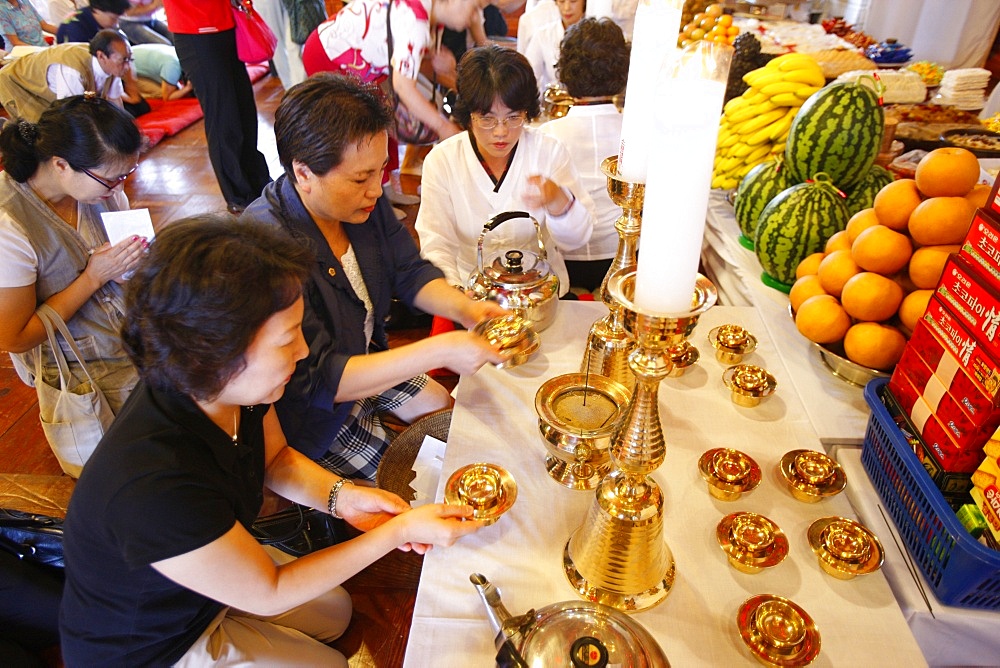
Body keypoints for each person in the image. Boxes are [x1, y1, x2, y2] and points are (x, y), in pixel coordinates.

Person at [58, 214, 484, 665]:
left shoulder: (225, 386)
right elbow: (268, 592)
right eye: (286, 341)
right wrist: (397, 531)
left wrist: (343, 498)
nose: (302, 352)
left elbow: (276, 458)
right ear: (216, 351)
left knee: (336, 613)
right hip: (153, 643)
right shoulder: (153, 487)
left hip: (210, 583)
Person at [244, 73, 508, 480]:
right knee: (411, 481)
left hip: (368, 361)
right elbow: (317, 380)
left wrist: (467, 308)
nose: (376, 189)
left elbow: (408, 269)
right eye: (360, 178)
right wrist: (438, 352)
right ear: (303, 173)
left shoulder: (360, 204)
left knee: (465, 430)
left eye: (381, 170)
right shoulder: (267, 247)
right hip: (316, 415)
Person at [0, 95, 147, 462]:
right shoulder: (10, 224)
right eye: (111, 180)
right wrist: (93, 278)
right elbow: (14, 337)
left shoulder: (99, 188)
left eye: (125, 176)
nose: (119, 189)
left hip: (134, 351)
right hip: (84, 377)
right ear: (61, 164)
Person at [415, 45, 594, 297]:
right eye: (487, 119)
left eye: (513, 117)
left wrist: (558, 201)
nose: (501, 132)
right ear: (468, 115)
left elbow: (577, 240)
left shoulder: (548, 151)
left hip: (540, 293)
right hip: (471, 294)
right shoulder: (443, 160)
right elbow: (436, 243)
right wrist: (456, 293)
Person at [302, 0, 482, 144]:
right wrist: (443, 127)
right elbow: (403, 86)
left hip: (354, 60)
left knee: (379, 124)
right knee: (360, 132)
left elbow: (411, 68)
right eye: (475, 8)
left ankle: (382, 183)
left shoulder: (431, 18)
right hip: (328, 56)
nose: (476, 17)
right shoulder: (416, 24)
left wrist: (449, 72)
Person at [539, 17, 626, 292]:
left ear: (565, 72)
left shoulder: (549, 133)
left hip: (564, 261)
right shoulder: (637, 132)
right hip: (623, 257)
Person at [161, 0, 273, 213]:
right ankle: (238, 195)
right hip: (195, 31)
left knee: (244, 110)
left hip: (225, 22)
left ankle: (258, 181)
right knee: (224, 116)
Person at [0, 29, 136, 121]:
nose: (127, 66)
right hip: (15, 81)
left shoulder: (114, 65)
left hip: (51, 93)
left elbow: (115, 103)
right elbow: (72, 115)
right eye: (124, 60)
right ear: (102, 56)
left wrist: (129, 134)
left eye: (130, 60)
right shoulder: (72, 70)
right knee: (40, 133)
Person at [523, 0, 584, 96]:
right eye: (562, 1)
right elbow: (530, 76)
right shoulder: (543, 35)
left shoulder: (595, 35)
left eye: (573, 1)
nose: (567, 8)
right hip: (554, 103)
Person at [54, 0, 129, 43]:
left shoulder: (100, 21)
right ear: (97, 10)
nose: (116, 24)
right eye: (113, 19)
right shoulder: (73, 28)